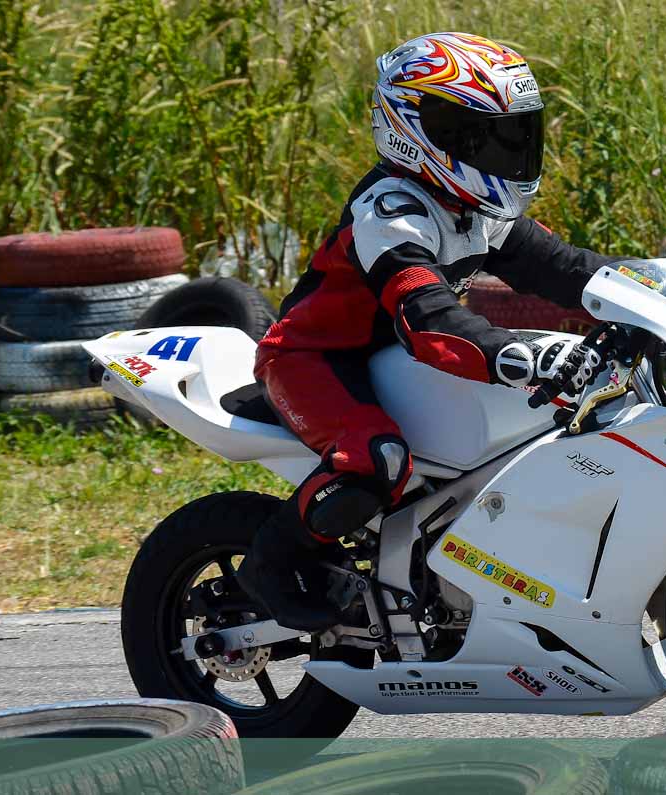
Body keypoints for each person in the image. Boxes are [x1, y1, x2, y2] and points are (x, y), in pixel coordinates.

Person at [237, 32, 621, 631]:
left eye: (513, 135)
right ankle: (272, 565)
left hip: (395, 359)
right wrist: (525, 353)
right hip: (315, 359)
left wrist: (652, 295)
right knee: (378, 459)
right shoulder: (390, 212)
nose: (506, 152)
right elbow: (429, 320)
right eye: (484, 137)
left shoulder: (474, 207)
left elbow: (566, 268)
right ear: (421, 132)